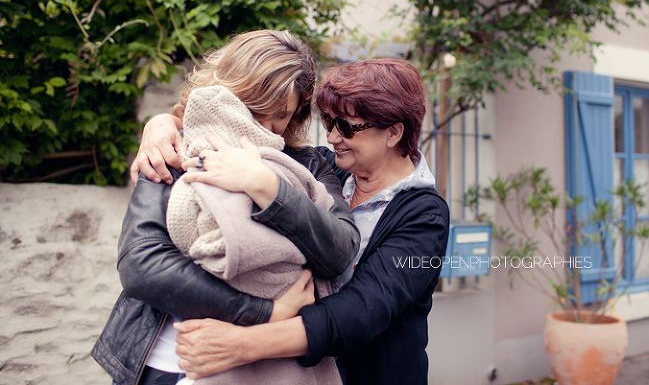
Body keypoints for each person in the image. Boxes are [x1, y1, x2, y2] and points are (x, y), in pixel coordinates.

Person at [135, 58, 451, 385]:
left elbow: (362, 311)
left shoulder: (425, 216)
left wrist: (240, 345)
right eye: (328, 121)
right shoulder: (328, 169)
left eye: (346, 127)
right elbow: (237, 123)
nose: (331, 137)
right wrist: (161, 124)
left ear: (394, 133)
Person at [91, 30, 360, 385]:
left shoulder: (306, 166)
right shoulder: (175, 149)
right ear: (231, 90)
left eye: (281, 114)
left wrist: (270, 188)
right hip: (164, 365)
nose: (264, 125)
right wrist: (266, 311)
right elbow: (141, 264)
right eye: (255, 107)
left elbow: (339, 249)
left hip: (267, 373)